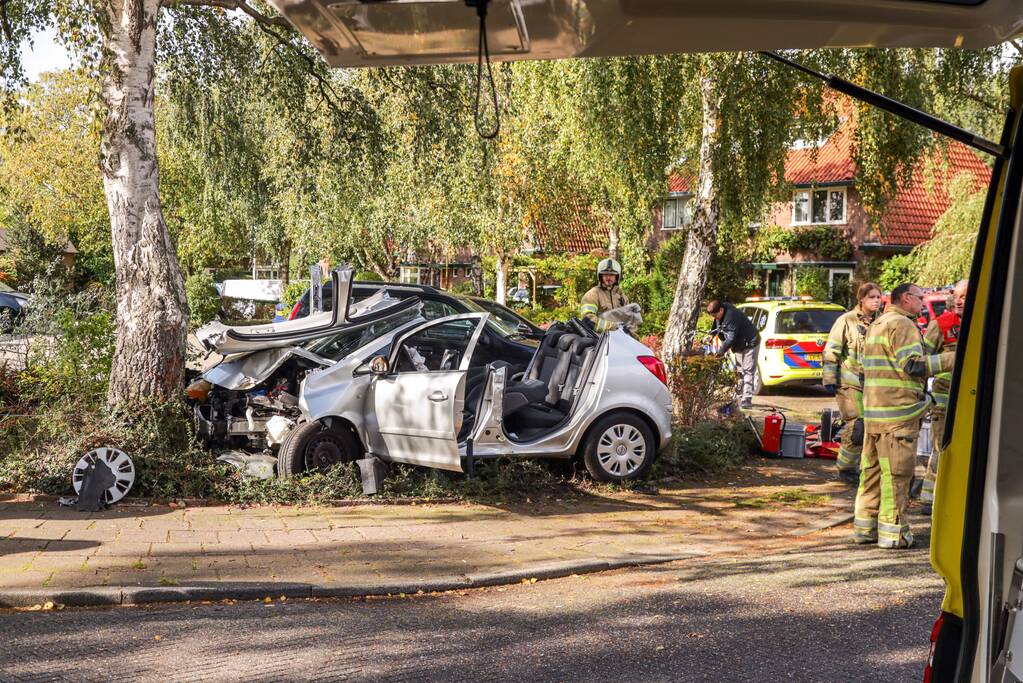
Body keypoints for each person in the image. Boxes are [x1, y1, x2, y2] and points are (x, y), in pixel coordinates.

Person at [854, 283, 955, 549]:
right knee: (897, 476)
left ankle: (865, 529)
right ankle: (894, 534)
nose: (924, 303)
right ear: (907, 299)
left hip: (876, 413)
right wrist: (954, 359)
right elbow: (912, 365)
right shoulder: (903, 324)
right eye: (920, 298)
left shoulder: (878, 323)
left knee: (871, 474)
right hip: (898, 416)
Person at [822, 282, 882, 486]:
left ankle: (864, 468)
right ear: (862, 299)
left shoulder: (881, 323)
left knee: (872, 427)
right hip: (849, 383)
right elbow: (831, 351)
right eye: (872, 297)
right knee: (857, 424)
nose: (876, 300)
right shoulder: (845, 321)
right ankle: (846, 469)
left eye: (878, 297)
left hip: (873, 386)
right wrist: (830, 379)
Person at [921, 279, 967, 508]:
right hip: (943, 400)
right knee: (941, 449)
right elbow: (920, 361)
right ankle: (929, 500)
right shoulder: (940, 324)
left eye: (965, 296)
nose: (959, 301)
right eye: (957, 296)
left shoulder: (983, 324)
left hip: (970, 399)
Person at [706, 299, 761, 410]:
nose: (715, 318)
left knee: (748, 371)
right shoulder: (721, 311)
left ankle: (747, 400)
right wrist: (711, 335)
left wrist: (721, 352)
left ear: (721, 310)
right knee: (739, 371)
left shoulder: (731, 316)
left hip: (750, 343)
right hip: (739, 344)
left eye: (715, 315)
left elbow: (730, 338)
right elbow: (717, 325)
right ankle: (739, 396)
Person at [580, 258, 629, 333]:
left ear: (617, 277)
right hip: (598, 341)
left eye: (612, 274)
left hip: (619, 341)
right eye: (605, 274)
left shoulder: (621, 295)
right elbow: (588, 320)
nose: (608, 277)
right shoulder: (592, 295)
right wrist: (613, 327)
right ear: (600, 276)